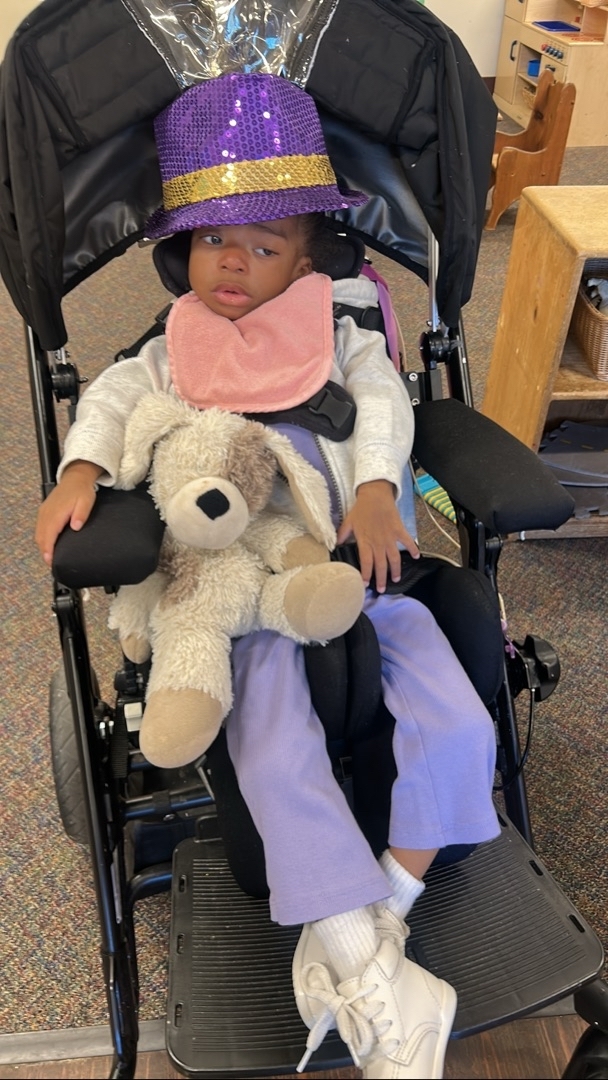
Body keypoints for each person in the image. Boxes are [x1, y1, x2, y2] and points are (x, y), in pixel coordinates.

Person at [35, 72, 500, 1079]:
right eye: (212, 239)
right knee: (273, 743)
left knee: (461, 723)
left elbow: (384, 407)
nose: (233, 261)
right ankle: (375, 974)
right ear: (180, 252)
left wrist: (373, 489)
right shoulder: (171, 351)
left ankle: (369, 936)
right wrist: (82, 467)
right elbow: (110, 400)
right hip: (243, 605)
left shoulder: (338, 337)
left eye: (263, 243)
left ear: (311, 256)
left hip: (358, 574)